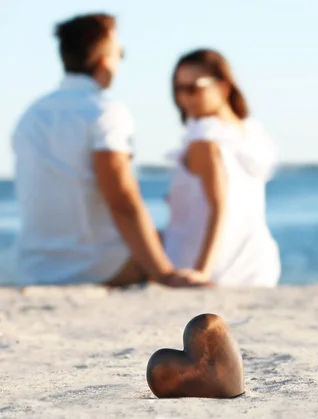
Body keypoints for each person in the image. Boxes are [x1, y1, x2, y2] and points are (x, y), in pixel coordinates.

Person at [10, 13, 200, 287]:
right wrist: (164, 273)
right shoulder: (105, 111)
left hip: (30, 265)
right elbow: (121, 198)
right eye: (119, 53)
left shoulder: (31, 115)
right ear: (104, 61)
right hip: (94, 267)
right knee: (178, 242)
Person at [162, 49, 280, 287]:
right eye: (178, 89)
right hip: (258, 264)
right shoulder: (251, 133)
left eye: (193, 88)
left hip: (207, 263)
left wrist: (202, 270)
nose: (184, 98)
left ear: (224, 86)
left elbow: (219, 206)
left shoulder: (205, 139)